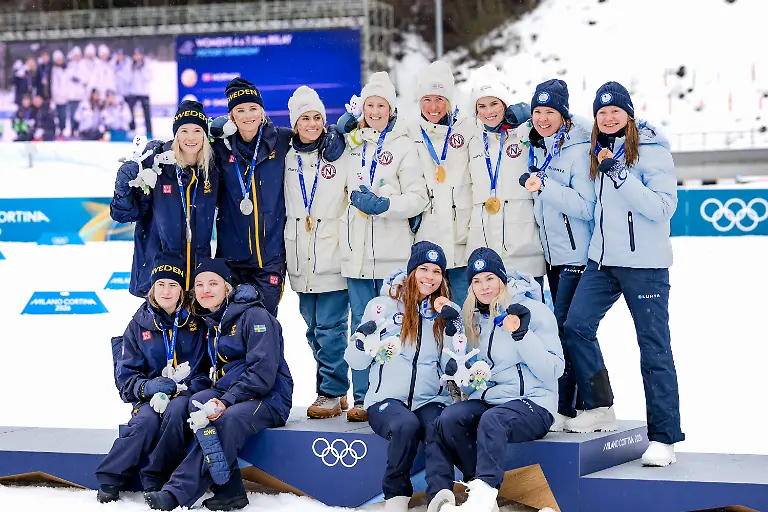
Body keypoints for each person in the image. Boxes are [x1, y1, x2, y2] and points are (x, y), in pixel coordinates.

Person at [561, 82, 684, 467]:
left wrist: (621, 176)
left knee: (653, 348)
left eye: (616, 111)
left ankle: (664, 436)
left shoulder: (653, 152)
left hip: (644, 268)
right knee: (575, 326)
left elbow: (663, 208)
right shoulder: (598, 149)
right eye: (602, 112)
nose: (609, 117)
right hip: (603, 262)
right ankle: (599, 405)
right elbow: (557, 119)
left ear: (629, 114)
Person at [145, 258, 293, 511]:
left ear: (228, 288)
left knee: (225, 419)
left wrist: (225, 401)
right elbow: (209, 372)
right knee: (192, 403)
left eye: (213, 283)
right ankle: (230, 490)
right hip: (231, 393)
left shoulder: (255, 316)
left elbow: (262, 373)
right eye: (199, 284)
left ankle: (177, 492)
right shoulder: (211, 322)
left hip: (268, 398)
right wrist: (182, 390)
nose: (205, 290)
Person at [426, 247, 563, 512]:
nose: (484, 287)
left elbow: (553, 370)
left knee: (493, 419)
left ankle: (483, 496)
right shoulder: (475, 319)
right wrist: (454, 346)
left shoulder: (533, 311)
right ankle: (479, 489)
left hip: (533, 403)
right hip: (492, 402)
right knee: (450, 419)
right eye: (476, 281)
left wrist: (521, 334)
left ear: (502, 278)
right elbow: (470, 383)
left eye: (489, 278)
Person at [336, 71, 429, 422]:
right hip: (356, 255)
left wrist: (386, 206)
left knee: (396, 323)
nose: (375, 111)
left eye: (381, 105)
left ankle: (392, 392)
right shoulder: (349, 143)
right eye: (369, 105)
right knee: (360, 325)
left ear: (391, 109)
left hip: (392, 256)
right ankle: (362, 396)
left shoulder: (403, 145)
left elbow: (419, 197)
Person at [95, 253, 210, 503]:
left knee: (177, 411)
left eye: (173, 285)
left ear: (182, 290)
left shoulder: (196, 322)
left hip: (185, 395)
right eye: (160, 284)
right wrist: (149, 387)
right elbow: (126, 379)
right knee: (146, 421)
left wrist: (181, 388)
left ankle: (154, 477)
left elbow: (205, 371)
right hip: (149, 398)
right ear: (152, 288)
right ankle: (110, 477)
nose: (166, 291)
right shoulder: (138, 324)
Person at [345, 241, 451, 512]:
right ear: (411, 271)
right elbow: (356, 362)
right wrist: (362, 338)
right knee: (405, 425)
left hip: (429, 398)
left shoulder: (443, 313)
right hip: (386, 399)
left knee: (440, 424)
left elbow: (451, 363)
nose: (430, 277)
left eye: (437, 271)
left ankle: (440, 496)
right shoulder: (382, 307)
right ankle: (396, 497)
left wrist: (454, 327)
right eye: (423, 269)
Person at [520, 79, 595, 430]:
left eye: (550, 112)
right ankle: (570, 405)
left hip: (576, 256)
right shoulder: (544, 148)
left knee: (569, 330)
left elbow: (584, 206)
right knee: (562, 329)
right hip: (553, 256)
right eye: (537, 111)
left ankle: (579, 407)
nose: (542, 118)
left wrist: (545, 186)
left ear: (564, 115)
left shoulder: (579, 150)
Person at [283, 86, 350, 418]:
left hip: (332, 252)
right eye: (305, 118)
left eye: (318, 118)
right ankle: (337, 387)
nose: (312, 124)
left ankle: (331, 391)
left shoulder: (340, 153)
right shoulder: (286, 156)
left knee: (331, 328)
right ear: (295, 123)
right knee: (313, 329)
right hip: (299, 258)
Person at [110, 100, 219, 298]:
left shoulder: (212, 170)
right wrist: (123, 186)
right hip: (158, 277)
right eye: (184, 131)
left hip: (196, 277)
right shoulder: (156, 165)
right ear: (176, 134)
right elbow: (125, 214)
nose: (191, 138)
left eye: (197, 131)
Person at [209, 77, 292, 317]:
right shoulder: (219, 147)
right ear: (231, 116)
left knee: (263, 323)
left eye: (253, 108)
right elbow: (186, 144)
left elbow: (314, 138)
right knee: (231, 327)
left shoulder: (282, 140)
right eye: (240, 110)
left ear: (262, 111)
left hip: (270, 258)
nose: (248, 115)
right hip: (231, 259)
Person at [466, 68, 546, 291]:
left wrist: (529, 114)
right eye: (481, 106)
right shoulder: (472, 139)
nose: (488, 112)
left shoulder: (524, 133)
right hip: (484, 243)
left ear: (505, 105)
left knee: (529, 316)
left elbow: (551, 124)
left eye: (494, 104)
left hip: (523, 246)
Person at [410, 61, 474, 306]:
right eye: (427, 99)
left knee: (462, 309)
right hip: (429, 234)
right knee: (428, 311)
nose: (433, 107)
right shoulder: (411, 130)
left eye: (440, 99)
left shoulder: (468, 126)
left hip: (461, 236)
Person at [127, 48, 153, 137]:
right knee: (130, 112)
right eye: (135, 55)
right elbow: (128, 79)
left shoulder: (146, 64)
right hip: (133, 93)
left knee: (147, 114)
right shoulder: (130, 65)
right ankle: (132, 130)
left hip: (144, 93)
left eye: (138, 55)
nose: (137, 57)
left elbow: (149, 77)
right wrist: (133, 69)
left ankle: (149, 132)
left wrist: (141, 69)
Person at [66, 46, 87, 135]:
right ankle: (72, 130)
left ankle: (80, 129)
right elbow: (66, 78)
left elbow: (86, 78)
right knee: (72, 114)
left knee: (81, 114)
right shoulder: (69, 66)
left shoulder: (83, 65)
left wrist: (79, 79)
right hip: (72, 95)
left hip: (80, 94)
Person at [51, 50, 68, 135]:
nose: (59, 61)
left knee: (63, 116)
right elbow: (53, 84)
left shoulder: (66, 69)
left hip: (64, 97)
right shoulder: (53, 70)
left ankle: (62, 130)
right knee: (54, 116)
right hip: (55, 97)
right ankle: (54, 130)